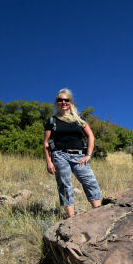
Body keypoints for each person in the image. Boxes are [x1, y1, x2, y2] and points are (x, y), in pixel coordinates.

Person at [43, 89, 101, 217]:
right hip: (60, 155)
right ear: (56, 102)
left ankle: (99, 214)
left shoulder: (78, 119)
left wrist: (88, 155)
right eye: (60, 100)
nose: (63, 102)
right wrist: (49, 162)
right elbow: (46, 143)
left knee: (90, 182)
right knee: (65, 186)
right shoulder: (52, 120)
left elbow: (91, 136)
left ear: (71, 102)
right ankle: (71, 219)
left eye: (66, 100)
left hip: (80, 156)